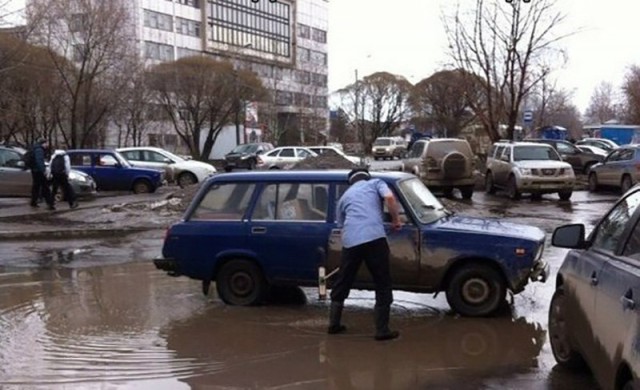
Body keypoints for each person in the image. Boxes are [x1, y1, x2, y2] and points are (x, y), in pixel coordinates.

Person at [328, 168, 402, 341]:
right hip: (375, 238)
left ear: (351, 182)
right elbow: (390, 198)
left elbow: (341, 223)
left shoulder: (344, 197)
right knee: (382, 282)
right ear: (367, 177)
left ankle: (333, 324)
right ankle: (382, 330)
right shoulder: (375, 183)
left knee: (344, 280)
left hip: (351, 242)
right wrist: (396, 220)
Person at [29, 137, 55, 210]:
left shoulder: (35, 148)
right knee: (45, 186)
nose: (47, 145)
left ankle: (33, 202)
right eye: (46, 143)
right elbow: (39, 161)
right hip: (38, 171)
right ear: (43, 143)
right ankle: (50, 203)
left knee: (36, 186)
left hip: (34, 170)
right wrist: (43, 170)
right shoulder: (39, 150)